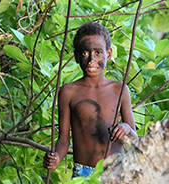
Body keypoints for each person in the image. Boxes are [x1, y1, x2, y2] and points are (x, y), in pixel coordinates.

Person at [43, 21, 138, 178]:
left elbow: (135, 141)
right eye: (85, 53)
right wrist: (57, 158)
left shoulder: (119, 90)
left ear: (108, 54)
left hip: (116, 171)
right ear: (76, 56)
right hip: (83, 174)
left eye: (98, 53)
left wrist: (126, 129)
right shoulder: (68, 92)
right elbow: (64, 139)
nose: (91, 60)